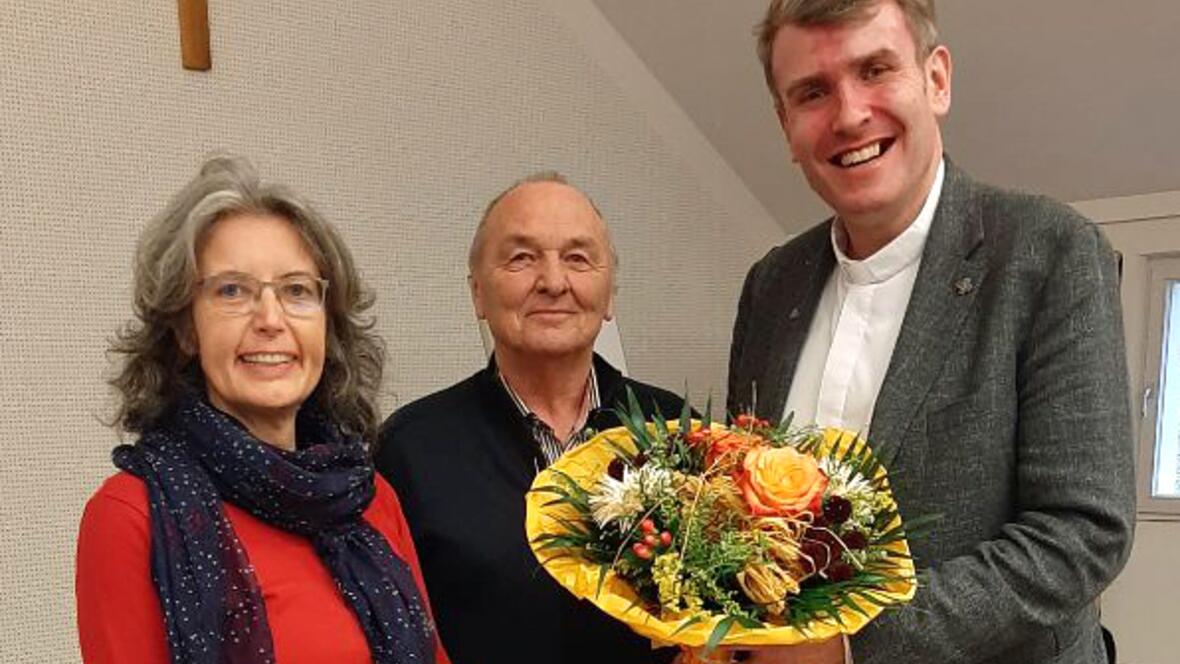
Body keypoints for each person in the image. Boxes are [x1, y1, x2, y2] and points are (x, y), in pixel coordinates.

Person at [726, 1, 1135, 663]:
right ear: (785, 125)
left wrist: (850, 646)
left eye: (875, 70)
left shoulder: (1049, 252)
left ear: (936, 79)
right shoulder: (770, 285)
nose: (849, 114)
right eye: (813, 92)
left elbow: (1083, 533)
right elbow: (745, 490)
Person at [76, 157, 449, 664]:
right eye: (233, 291)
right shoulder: (131, 516)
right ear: (186, 329)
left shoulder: (370, 498)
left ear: (327, 322)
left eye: (297, 291)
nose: (270, 319)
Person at [374, 173, 685, 664]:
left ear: (611, 295)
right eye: (522, 258)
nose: (554, 282)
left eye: (578, 258)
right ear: (477, 292)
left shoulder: (675, 432)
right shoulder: (411, 449)